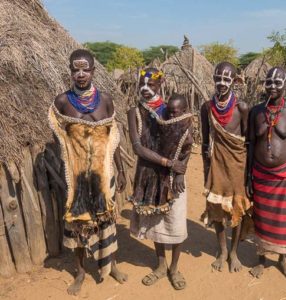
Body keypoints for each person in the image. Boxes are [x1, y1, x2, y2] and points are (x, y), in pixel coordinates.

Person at [48, 49, 127, 295]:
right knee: (79, 226)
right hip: (78, 178)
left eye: (85, 69)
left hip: (104, 174)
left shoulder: (106, 101)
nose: (80, 74)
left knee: (107, 220)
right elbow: (62, 143)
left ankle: (110, 264)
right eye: (75, 69)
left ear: (93, 70)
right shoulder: (61, 103)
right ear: (70, 71)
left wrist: (121, 170)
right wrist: (70, 170)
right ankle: (81, 271)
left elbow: (112, 138)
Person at [128, 69, 193, 290]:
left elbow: (186, 144)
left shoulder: (173, 110)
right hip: (149, 174)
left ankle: (174, 268)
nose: (145, 89)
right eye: (141, 84)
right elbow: (137, 148)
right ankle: (160, 265)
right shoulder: (134, 112)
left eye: (151, 85)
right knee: (155, 222)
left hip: (173, 178)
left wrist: (180, 173)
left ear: (161, 84)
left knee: (175, 221)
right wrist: (167, 163)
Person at [246, 67, 286, 279]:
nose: (272, 87)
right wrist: (248, 177)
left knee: (282, 219)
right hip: (260, 174)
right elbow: (251, 145)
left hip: (284, 175)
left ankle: (282, 259)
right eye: (268, 82)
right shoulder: (256, 111)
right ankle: (261, 259)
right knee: (261, 217)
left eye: (277, 83)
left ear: (285, 85)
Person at [200, 62, 250, 273]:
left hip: (238, 165)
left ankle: (234, 253)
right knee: (217, 209)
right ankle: (222, 251)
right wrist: (206, 169)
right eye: (218, 78)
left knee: (237, 208)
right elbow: (204, 142)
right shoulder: (206, 107)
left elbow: (247, 141)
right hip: (216, 164)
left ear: (234, 81)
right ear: (213, 78)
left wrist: (248, 175)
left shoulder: (242, 108)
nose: (222, 83)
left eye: (226, 79)